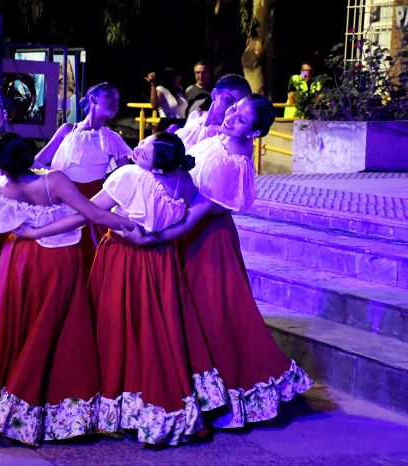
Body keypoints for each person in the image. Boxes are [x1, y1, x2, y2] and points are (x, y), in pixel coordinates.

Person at [126, 95, 313, 428]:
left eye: (240, 119)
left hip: (205, 240)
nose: (231, 118)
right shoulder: (218, 138)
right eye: (233, 109)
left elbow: (197, 214)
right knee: (192, 313)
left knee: (213, 315)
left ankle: (226, 391)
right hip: (187, 230)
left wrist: (151, 237)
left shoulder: (234, 163)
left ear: (254, 134)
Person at [17, 132, 216, 445]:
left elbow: (87, 213)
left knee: (116, 326)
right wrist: (158, 238)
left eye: (143, 153)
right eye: (142, 144)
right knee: (156, 329)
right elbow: (193, 216)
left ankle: (116, 401)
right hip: (161, 262)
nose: (135, 150)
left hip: (123, 259)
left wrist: (40, 231)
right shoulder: (184, 180)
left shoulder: (129, 176)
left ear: (157, 167)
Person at [0, 132, 133, 446]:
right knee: (58, 328)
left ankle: (4, 410)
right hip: (57, 260)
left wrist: (34, 232)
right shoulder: (53, 181)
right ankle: (51, 408)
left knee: (15, 327)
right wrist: (127, 224)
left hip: (19, 260)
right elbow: (92, 215)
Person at [33, 82, 131, 274]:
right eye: (110, 97)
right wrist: (52, 186)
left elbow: (125, 176)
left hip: (93, 203)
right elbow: (39, 161)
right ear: (93, 99)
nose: (115, 103)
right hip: (61, 198)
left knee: (90, 255)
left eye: (118, 100)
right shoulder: (67, 130)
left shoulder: (113, 138)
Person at [172, 74, 252, 150]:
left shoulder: (228, 139)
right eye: (228, 100)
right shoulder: (194, 116)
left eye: (238, 107)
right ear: (214, 94)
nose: (231, 110)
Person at [147, 67, 187, 131]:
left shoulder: (180, 89)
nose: (178, 78)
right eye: (175, 76)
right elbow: (154, 105)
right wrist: (152, 85)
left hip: (182, 124)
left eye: (179, 76)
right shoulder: (161, 89)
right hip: (168, 125)